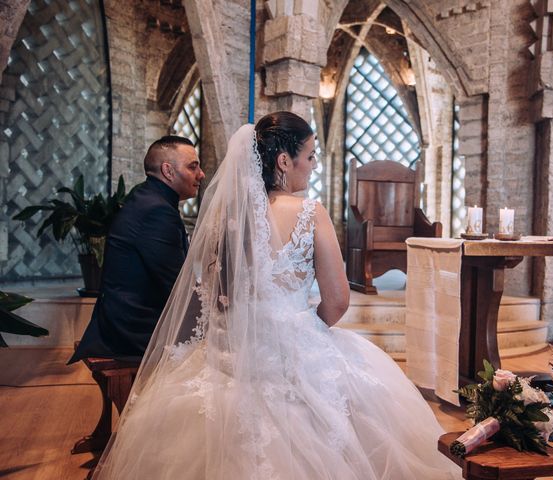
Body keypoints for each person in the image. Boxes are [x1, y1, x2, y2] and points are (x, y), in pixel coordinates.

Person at [92, 113, 460, 479]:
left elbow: (213, 293)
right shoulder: (310, 213)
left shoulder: (224, 217)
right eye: (311, 156)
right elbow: (337, 301)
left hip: (229, 349)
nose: (314, 166)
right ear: (285, 161)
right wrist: (301, 329)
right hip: (290, 347)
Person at [69, 135, 205, 363]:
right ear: (168, 171)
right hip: (134, 330)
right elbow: (176, 287)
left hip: (126, 318)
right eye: (193, 167)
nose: (201, 174)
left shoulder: (147, 197)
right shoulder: (157, 211)